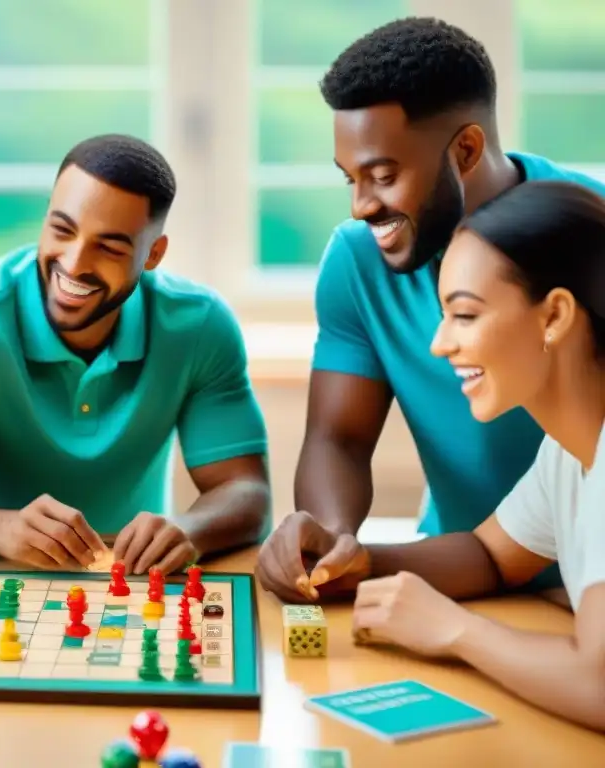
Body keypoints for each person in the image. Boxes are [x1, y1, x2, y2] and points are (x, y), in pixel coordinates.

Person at [255, 17, 605, 604]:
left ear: (465, 149)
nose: (362, 205)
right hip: (463, 569)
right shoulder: (357, 262)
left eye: (384, 176)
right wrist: (335, 542)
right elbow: (337, 437)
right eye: (350, 178)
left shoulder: (588, 233)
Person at [300, 181, 605, 732]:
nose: (440, 345)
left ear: (555, 315)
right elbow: (492, 555)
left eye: (464, 316)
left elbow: (600, 686)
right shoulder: (567, 451)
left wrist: (454, 630)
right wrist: (353, 562)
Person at [0, 134, 270, 574]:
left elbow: (246, 489)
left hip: (134, 588)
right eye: (62, 229)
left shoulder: (200, 326)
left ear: (153, 253)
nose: (75, 264)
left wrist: (192, 528)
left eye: (109, 247)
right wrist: (1, 530)